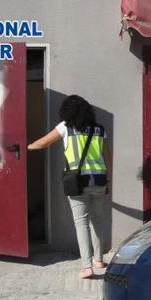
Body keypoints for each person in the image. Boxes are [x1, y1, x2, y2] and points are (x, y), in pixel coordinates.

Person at [28, 95, 110, 279]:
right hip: (98, 180)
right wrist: (108, 180)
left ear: (66, 111)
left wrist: (27, 147)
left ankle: (86, 266)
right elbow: (107, 157)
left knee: (81, 223)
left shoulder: (65, 127)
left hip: (77, 182)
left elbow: (43, 143)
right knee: (97, 220)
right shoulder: (99, 130)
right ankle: (99, 260)